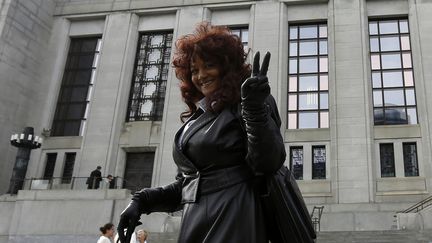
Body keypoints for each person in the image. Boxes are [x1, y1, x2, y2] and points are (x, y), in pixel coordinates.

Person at [117, 22, 286, 243]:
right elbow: (187, 186)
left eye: (209, 66)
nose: (201, 75)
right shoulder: (199, 116)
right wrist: (141, 201)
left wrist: (254, 110)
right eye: (194, 70)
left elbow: (269, 162)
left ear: (227, 68)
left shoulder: (250, 101)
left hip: (235, 217)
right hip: (196, 222)